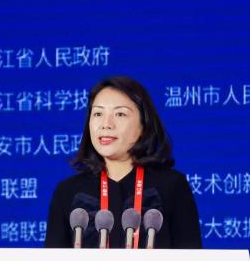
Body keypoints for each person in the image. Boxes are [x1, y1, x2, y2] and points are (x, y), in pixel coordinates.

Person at [44, 75, 202, 249]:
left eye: (120, 114)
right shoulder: (67, 191)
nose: (106, 124)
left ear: (144, 124)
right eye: (98, 114)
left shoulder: (172, 186)